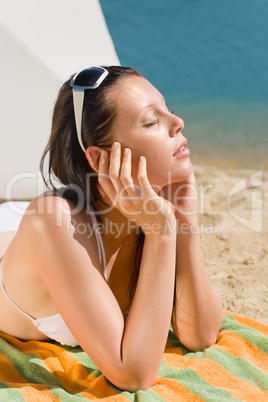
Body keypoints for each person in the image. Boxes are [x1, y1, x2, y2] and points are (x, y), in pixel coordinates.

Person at [0, 66, 224, 392]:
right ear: (100, 158)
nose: (178, 123)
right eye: (151, 121)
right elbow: (133, 374)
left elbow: (201, 335)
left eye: (168, 109)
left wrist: (183, 223)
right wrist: (162, 232)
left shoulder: (152, 208)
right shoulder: (53, 221)